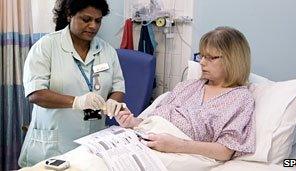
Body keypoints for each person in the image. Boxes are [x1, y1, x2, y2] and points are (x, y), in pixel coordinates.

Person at [115, 26, 255, 161]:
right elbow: (155, 119)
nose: (202, 62)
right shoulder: (187, 86)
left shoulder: (240, 98)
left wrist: (177, 145)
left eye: (210, 57)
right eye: (202, 56)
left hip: (181, 152)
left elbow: (226, 151)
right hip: (147, 137)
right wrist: (133, 122)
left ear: (233, 60)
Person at [18, 0, 126, 167]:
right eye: (86, 19)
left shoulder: (108, 51)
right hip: (53, 146)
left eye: (98, 21)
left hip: (91, 144)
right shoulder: (46, 47)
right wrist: (77, 102)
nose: (93, 26)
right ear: (69, 15)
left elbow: (118, 87)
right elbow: (35, 94)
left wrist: (113, 101)